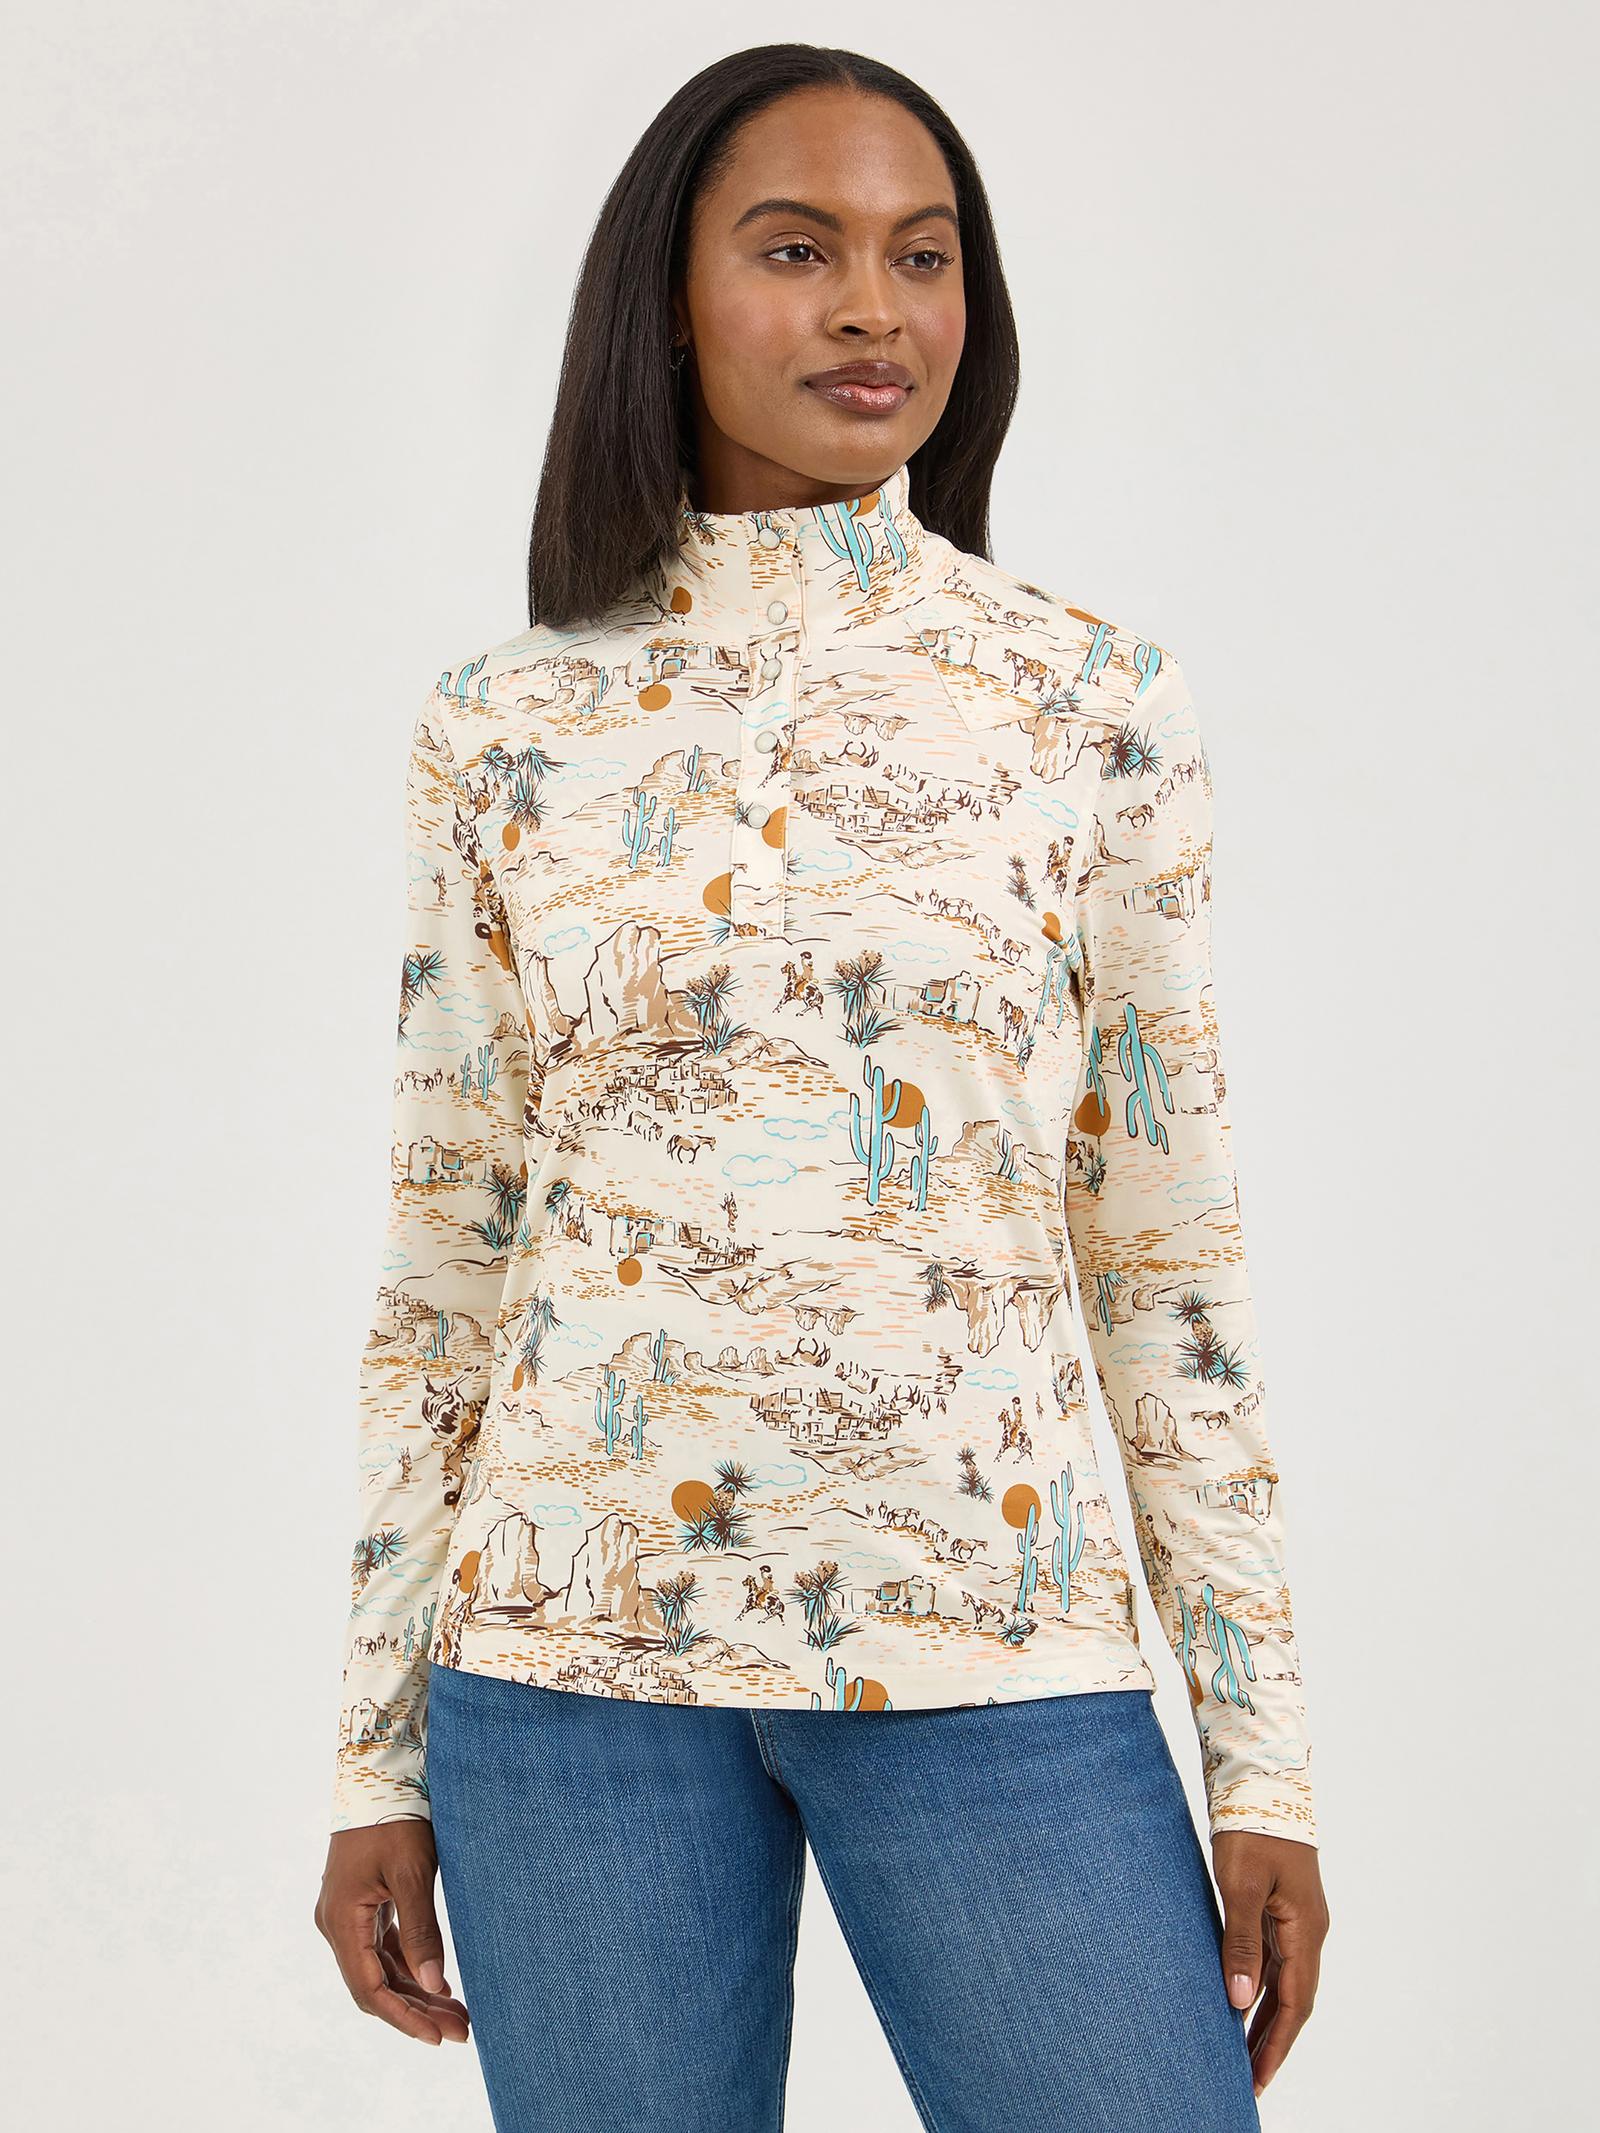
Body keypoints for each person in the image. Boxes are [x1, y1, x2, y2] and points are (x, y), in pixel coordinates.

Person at [314, 42, 1330, 2133]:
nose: (874, 308)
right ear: (668, 301)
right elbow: (448, 1256)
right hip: (566, 1679)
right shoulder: (502, 724)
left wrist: (1265, 1764)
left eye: (920, 255)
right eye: (798, 251)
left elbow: (1166, 1261)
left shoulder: (1086, 703)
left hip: (988, 1640)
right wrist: (371, 1751)